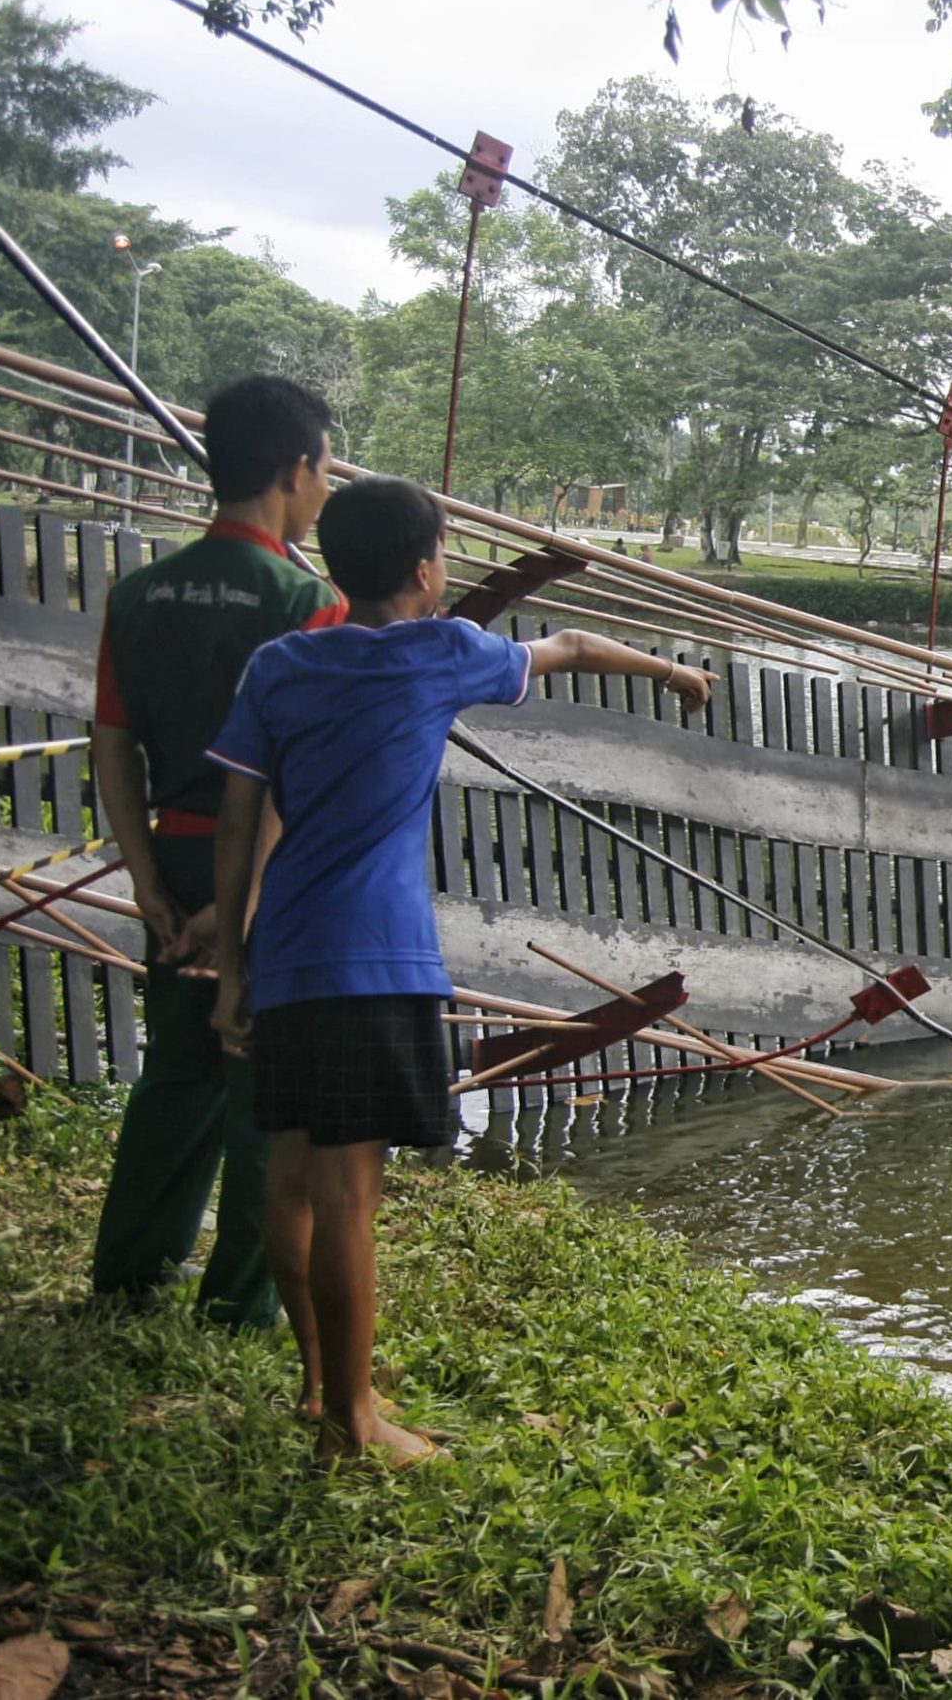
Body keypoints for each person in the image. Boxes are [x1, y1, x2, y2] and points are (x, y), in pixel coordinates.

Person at [206, 475, 712, 1466]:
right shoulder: (442, 652)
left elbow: (235, 825)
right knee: (353, 1192)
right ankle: (356, 1425)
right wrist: (670, 675)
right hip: (376, 956)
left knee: (295, 1176)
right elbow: (566, 647)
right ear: (429, 570)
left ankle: (319, 1382)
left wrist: (232, 963)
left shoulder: (279, 665)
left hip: (289, 948)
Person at [88, 375, 346, 1327]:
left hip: (172, 861)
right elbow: (286, 774)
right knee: (261, 1089)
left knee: (179, 1073)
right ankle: (240, 1304)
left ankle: (129, 1271)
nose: (325, 492)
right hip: (263, 877)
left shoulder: (140, 594)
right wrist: (235, 911)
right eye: (325, 470)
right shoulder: (304, 599)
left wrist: (151, 884)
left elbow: (112, 742)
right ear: (294, 469)